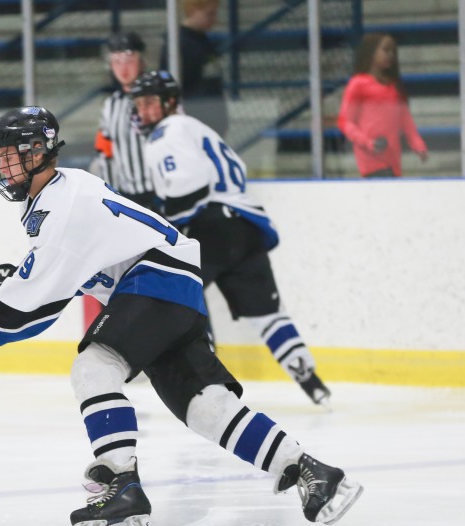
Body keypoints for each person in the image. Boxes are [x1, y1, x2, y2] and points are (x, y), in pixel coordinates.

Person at [0, 106, 363, 526]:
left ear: (38, 151)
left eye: (10, 154)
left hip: (154, 281)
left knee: (94, 367)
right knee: (205, 407)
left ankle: (122, 486)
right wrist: (7, 297)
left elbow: (35, 301)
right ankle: (312, 471)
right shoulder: (60, 195)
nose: (2, 164)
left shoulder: (61, 205)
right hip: (170, 286)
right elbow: (55, 282)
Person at [129, 70, 331, 409]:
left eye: (150, 102)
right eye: (139, 103)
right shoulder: (194, 128)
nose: (144, 110)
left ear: (170, 102)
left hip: (212, 226)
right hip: (246, 225)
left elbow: (189, 188)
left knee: (181, 297)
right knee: (267, 315)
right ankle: (313, 384)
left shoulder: (168, 132)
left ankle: (208, 385)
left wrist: (160, 219)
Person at [337, 33, 428, 178]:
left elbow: (406, 121)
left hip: (393, 160)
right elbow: (345, 121)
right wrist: (368, 142)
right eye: (386, 50)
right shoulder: (358, 84)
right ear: (371, 52)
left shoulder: (394, 86)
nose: (390, 55)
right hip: (371, 159)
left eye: (393, 52)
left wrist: (418, 145)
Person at [93, 31, 157, 212]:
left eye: (129, 60)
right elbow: (104, 152)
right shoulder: (110, 105)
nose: (123, 68)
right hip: (126, 196)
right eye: (116, 61)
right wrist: (111, 194)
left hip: (158, 194)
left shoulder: (157, 99)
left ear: (142, 61)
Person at [159, 0, 228, 137]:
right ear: (192, 10)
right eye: (209, 14)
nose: (214, 20)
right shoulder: (178, 44)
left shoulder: (202, 41)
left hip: (210, 121)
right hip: (193, 123)